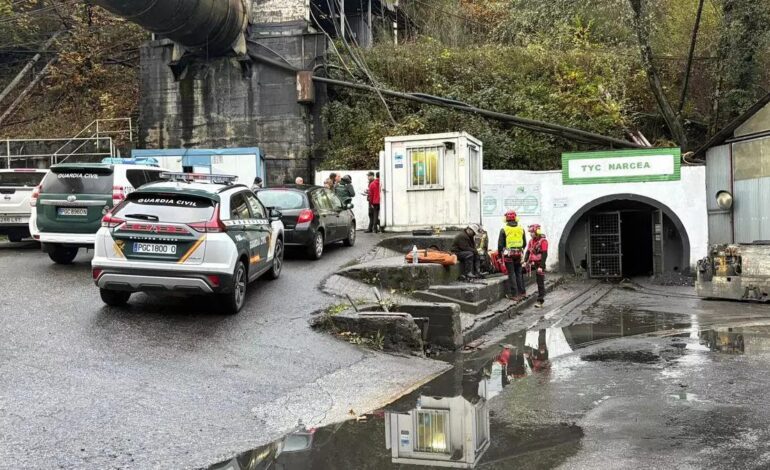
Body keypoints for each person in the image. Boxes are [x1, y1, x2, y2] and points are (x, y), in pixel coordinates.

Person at [498, 210, 526, 301]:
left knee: (511, 274)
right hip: (519, 254)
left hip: (509, 255)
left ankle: (514, 295)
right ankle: (522, 293)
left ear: (506, 219)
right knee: (519, 273)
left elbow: (500, 245)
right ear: (516, 218)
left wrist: (499, 256)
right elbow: (524, 243)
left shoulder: (504, 229)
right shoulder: (521, 229)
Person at [525, 223, 548, 308]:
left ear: (537, 232)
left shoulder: (543, 241)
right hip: (531, 263)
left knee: (540, 282)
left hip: (539, 264)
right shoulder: (531, 241)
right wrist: (524, 261)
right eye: (530, 232)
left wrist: (541, 267)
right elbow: (528, 251)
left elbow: (545, 254)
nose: (531, 234)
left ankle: (540, 300)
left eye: (532, 232)